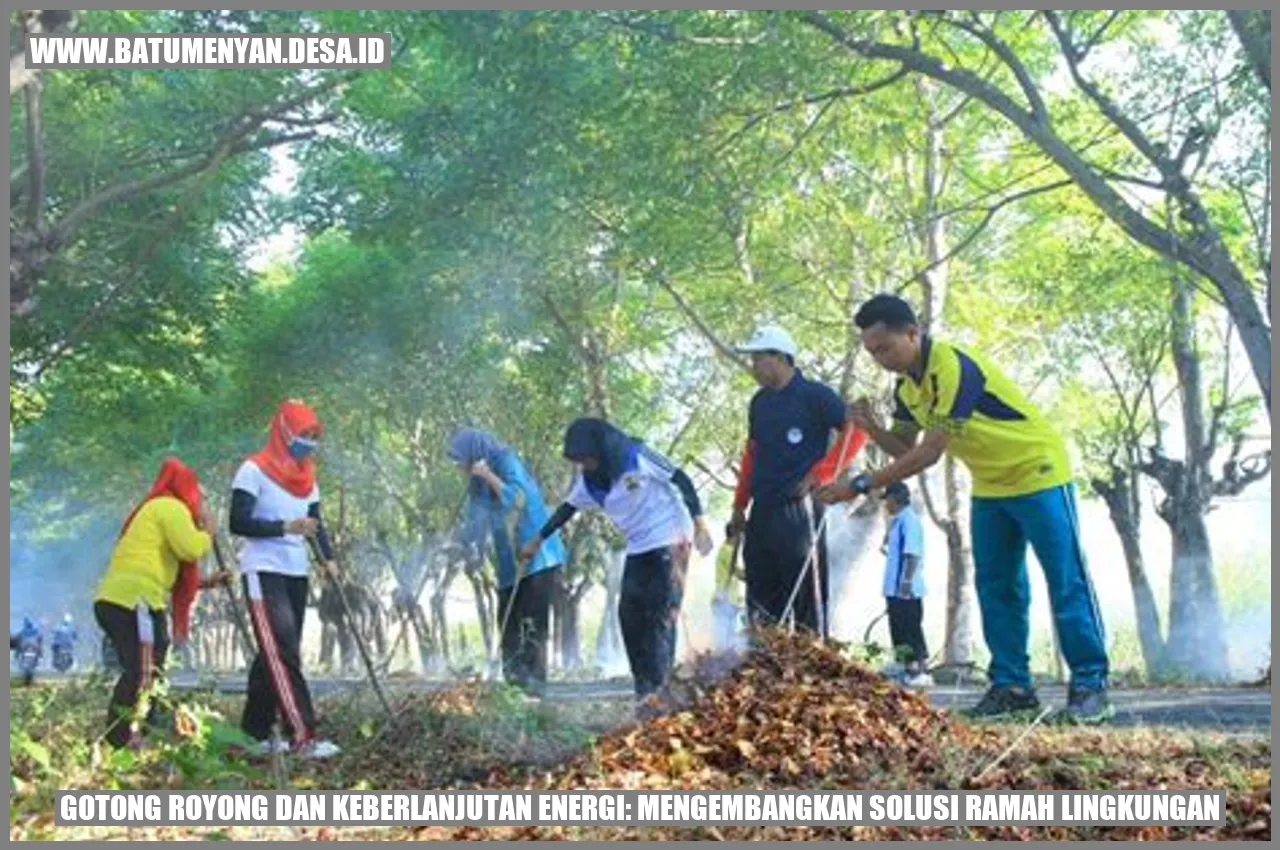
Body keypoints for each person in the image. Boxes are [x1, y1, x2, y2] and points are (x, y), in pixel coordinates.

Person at [816, 294, 1111, 723]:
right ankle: (1012, 686)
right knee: (997, 584)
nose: (881, 359)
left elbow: (931, 454)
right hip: (990, 485)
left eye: (886, 347)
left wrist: (859, 484)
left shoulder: (952, 367)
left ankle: (1090, 685)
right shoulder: (906, 389)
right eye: (872, 352)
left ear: (913, 333)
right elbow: (905, 449)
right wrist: (873, 428)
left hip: (1039, 471)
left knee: (1066, 578)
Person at [520, 418, 713, 709]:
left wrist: (700, 524)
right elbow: (567, 509)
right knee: (630, 616)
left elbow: (681, 479)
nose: (584, 465)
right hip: (637, 547)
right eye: (579, 461)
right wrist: (537, 539)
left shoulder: (637, 456)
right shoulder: (590, 481)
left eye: (586, 457)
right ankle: (644, 693)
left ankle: (660, 698)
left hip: (670, 539)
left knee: (659, 616)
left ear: (601, 448)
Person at [727, 325, 868, 637]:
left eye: (758, 359)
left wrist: (822, 474)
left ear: (780, 358)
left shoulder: (815, 395)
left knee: (805, 588)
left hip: (800, 506)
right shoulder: (759, 402)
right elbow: (752, 454)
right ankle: (763, 664)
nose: (753, 368)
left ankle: (810, 661)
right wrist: (739, 506)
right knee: (760, 587)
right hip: (762, 508)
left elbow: (857, 430)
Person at [229, 399, 341, 759]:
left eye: (314, 436)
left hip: (296, 570)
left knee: (272, 653)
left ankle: (254, 732)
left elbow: (315, 522)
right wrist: (284, 527)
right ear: (284, 431)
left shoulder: (308, 478)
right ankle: (302, 735)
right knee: (284, 651)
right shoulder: (253, 470)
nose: (309, 442)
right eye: (304, 434)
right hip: (264, 569)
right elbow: (238, 522)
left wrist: (329, 558)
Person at [93, 457, 227, 747]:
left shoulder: (159, 508)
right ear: (187, 489)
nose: (202, 503)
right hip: (133, 600)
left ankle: (142, 729)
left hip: (130, 599)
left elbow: (164, 570)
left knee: (153, 662)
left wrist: (206, 582)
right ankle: (123, 738)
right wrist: (209, 532)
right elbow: (190, 549)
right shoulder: (170, 506)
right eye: (201, 496)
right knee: (143, 670)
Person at [448, 428, 568, 696]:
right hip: (508, 563)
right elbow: (475, 522)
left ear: (474, 453)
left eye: (460, 459)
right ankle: (513, 689)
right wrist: (459, 543)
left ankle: (535, 691)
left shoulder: (506, 461)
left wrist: (488, 475)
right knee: (508, 624)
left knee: (532, 624)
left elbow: (518, 499)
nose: (458, 466)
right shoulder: (475, 483)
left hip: (535, 554)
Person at [880, 482, 931, 688]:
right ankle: (905, 666)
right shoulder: (897, 521)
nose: (886, 504)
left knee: (910, 628)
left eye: (887, 500)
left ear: (895, 499)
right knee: (898, 627)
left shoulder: (909, 521)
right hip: (893, 587)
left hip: (905, 588)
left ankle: (916, 669)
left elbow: (912, 554)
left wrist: (906, 583)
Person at [13, 616, 43, 686]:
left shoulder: (22, 632)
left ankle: (27, 677)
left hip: (26, 650)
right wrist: (41, 655)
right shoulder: (37, 632)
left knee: (22, 662)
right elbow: (40, 644)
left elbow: (18, 644)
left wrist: (16, 655)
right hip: (32, 650)